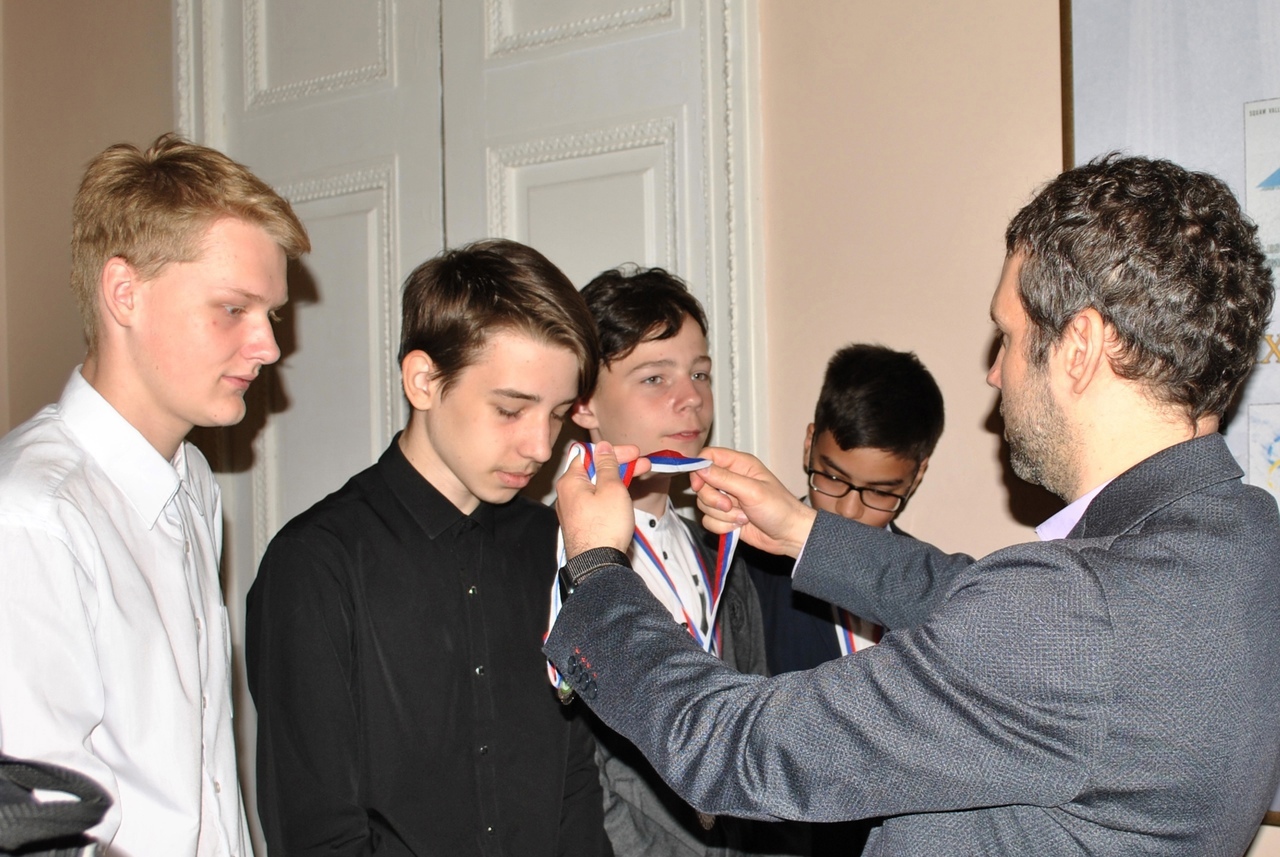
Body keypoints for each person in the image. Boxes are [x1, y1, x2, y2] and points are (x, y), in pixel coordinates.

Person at [544, 155, 1280, 855]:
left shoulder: (1071, 615)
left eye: (1008, 337)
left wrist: (600, 571)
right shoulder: (1244, 534)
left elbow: (740, 750)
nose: (994, 373)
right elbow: (973, 600)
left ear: (1080, 346)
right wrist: (803, 529)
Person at [246, 239, 611, 856]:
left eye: (556, 415)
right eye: (511, 410)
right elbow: (315, 829)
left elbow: (573, 782)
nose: (540, 447)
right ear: (423, 381)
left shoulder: (551, 544)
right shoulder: (315, 565)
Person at [0, 133, 310, 855]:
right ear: (124, 293)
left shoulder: (191, 480)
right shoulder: (33, 516)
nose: (269, 347)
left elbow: (201, 777)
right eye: (232, 308)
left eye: (270, 314)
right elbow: (49, 826)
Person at [564, 265, 776, 856]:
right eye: (655, 377)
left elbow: (756, 727)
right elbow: (570, 766)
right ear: (584, 403)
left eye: (699, 372)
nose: (692, 398)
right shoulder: (552, 562)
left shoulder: (725, 556)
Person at [747, 344, 944, 676]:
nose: (849, 510)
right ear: (810, 444)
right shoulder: (747, 570)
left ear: (918, 474)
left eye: (879, 492)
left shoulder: (926, 585)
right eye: (833, 478)